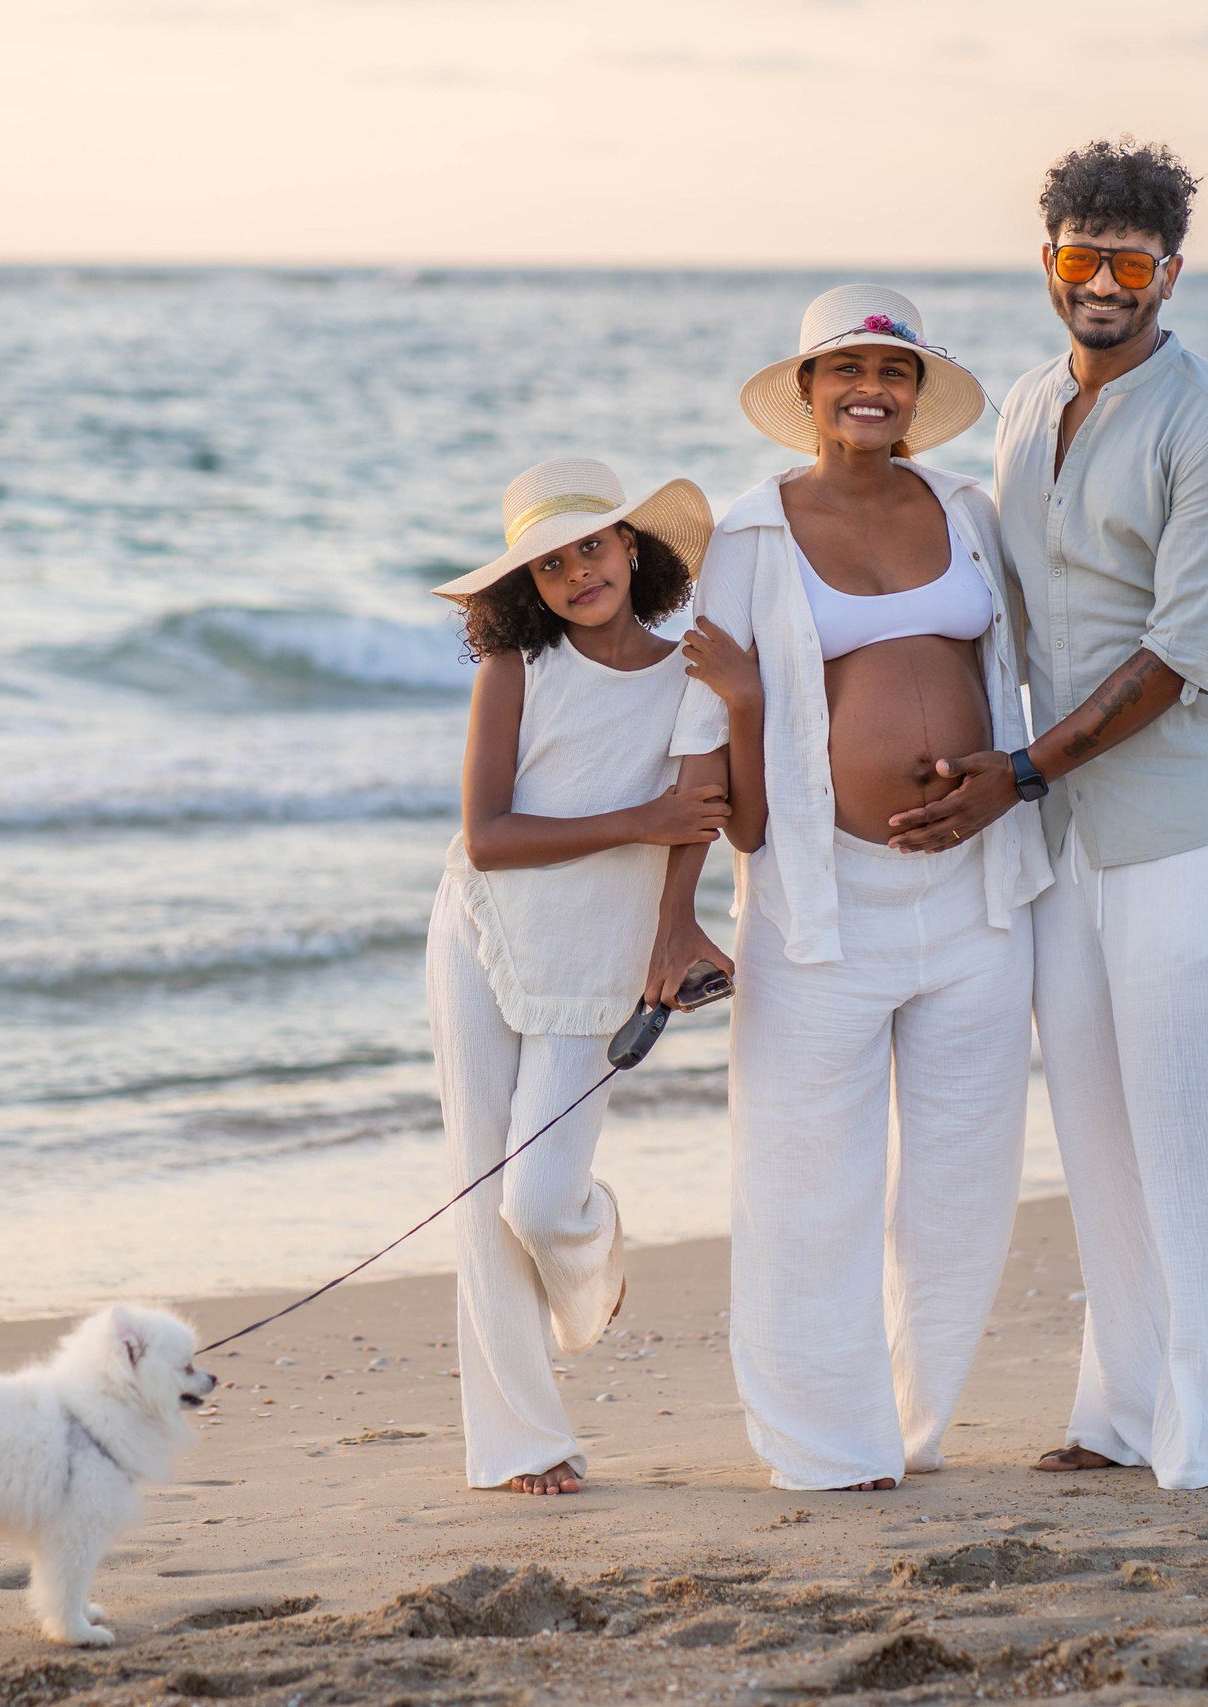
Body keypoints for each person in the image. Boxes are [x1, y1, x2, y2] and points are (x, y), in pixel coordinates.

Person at [883, 139, 1208, 1490]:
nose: (1102, 281)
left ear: (1171, 271)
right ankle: (1119, 1413)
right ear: (1045, 258)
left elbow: (1180, 652)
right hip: (1060, 829)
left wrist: (1020, 770)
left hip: (1185, 816)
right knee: (1104, 1135)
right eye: (1079, 255)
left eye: (1129, 260)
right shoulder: (1015, 409)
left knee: (1200, 1123)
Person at [656, 285, 1052, 1493]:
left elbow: (1036, 660)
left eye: (890, 371)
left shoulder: (972, 513)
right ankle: (821, 1447)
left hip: (978, 901)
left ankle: (910, 1428)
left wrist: (1019, 785)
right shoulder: (749, 535)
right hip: (820, 910)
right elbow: (695, 740)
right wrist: (673, 919)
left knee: (960, 1185)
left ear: (917, 395)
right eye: (841, 371)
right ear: (807, 391)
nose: (866, 389)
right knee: (801, 1183)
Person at [425, 456, 738, 1496]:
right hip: (483, 931)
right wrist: (635, 821)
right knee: (481, 1191)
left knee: (541, 1199)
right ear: (529, 585)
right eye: (550, 564)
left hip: (600, 952)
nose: (576, 574)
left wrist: (673, 925)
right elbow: (488, 836)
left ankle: (591, 1247)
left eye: (591, 547)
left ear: (631, 547)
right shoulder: (517, 670)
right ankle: (521, 1443)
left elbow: (703, 815)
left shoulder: (693, 671)